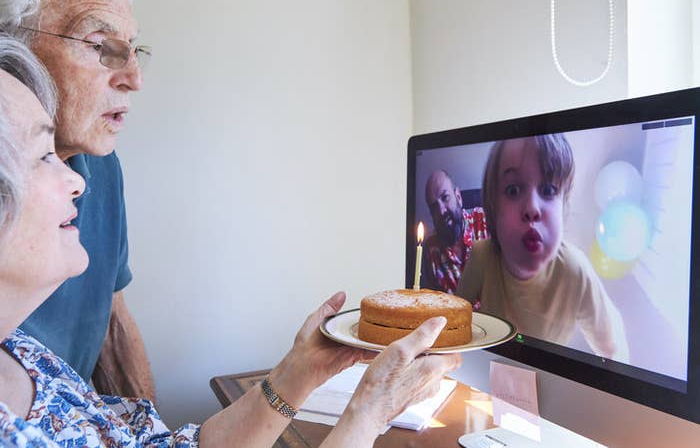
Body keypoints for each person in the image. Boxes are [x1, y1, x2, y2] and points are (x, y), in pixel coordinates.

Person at [0, 35, 462, 447]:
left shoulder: (22, 354)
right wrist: (368, 414)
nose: (77, 182)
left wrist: (298, 372)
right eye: (43, 156)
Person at [0, 0, 154, 399]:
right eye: (99, 44)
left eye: (133, 48)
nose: (133, 78)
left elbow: (110, 322)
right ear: (13, 53)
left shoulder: (101, 165)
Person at [456, 134, 629, 361]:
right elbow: (454, 325)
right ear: (492, 207)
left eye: (548, 190)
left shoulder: (575, 270)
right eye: (513, 190)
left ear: (564, 206)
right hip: (493, 370)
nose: (532, 209)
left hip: (550, 378)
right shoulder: (482, 256)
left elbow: (613, 349)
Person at [422, 169, 488, 293]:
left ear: (458, 196)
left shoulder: (485, 222)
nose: (441, 211)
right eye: (434, 207)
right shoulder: (431, 250)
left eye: (445, 197)